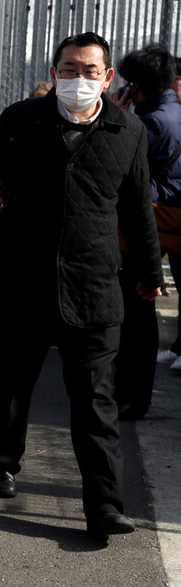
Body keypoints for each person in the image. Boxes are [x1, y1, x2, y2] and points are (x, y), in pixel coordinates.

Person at [0, 32, 162, 541]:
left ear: (107, 78)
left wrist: (149, 273)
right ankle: (0, 463)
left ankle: (104, 505)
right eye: (68, 68)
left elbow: (136, 210)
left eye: (88, 70)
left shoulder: (128, 130)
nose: (77, 78)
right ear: (54, 71)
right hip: (22, 281)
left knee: (96, 401)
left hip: (94, 286)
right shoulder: (20, 121)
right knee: (12, 379)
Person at [111, 44, 181, 417]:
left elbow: (124, 170)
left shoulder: (150, 123)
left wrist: (116, 119)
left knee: (135, 316)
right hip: (166, 223)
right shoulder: (175, 113)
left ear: (136, 86)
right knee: (143, 312)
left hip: (147, 226)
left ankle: (132, 397)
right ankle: (136, 396)